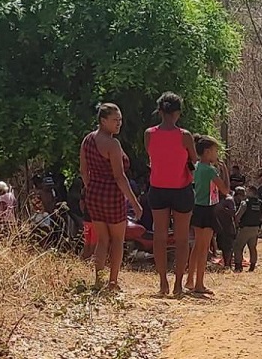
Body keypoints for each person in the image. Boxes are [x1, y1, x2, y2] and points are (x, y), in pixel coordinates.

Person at [80, 103, 142, 290]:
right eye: (115, 120)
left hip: (94, 194)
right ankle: (113, 282)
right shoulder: (112, 144)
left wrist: (91, 188)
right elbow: (119, 176)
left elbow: (83, 171)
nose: (119, 123)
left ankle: (99, 280)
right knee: (117, 240)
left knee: (102, 240)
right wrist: (135, 203)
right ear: (103, 120)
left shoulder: (87, 140)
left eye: (120, 120)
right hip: (113, 196)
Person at [145, 92, 197, 297]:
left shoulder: (149, 133)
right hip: (181, 188)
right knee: (182, 238)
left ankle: (162, 283)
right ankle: (178, 285)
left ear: (159, 111)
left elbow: (151, 155)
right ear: (178, 113)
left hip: (157, 188)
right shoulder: (185, 136)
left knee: (159, 237)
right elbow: (194, 160)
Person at [186, 135, 229, 294]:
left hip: (197, 207)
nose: (216, 154)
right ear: (207, 152)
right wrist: (224, 170)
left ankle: (190, 280)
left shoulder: (197, 166)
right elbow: (225, 189)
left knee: (197, 246)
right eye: (215, 151)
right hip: (207, 209)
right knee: (204, 249)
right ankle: (199, 284)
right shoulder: (210, 170)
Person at [234, 185, 262, 272]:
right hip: (255, 228)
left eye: (247, 191)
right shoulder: (260, 203)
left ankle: (238, 266)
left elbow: (238, 216)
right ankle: (252, 266)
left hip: (245, 228)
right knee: (253, 247)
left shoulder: (245, 203)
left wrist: (235, 224)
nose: (245, 193)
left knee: (238, 247)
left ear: (251, 192)